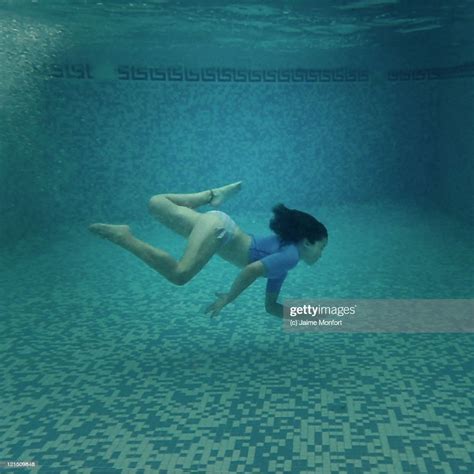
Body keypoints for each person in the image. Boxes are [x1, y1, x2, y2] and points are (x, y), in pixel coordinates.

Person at [88, 181, 328, 318]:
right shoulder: (291, 256)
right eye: (322, 247)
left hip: (220, 225)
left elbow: (271, 307)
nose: (321, 254)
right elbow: (250, 271)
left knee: (157, 205)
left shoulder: (282, 266)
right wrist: (228, 298)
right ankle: (125, 237)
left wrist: (309, 318)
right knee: (180, 274)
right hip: (220, 232)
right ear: (307, 241)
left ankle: (212, 195)